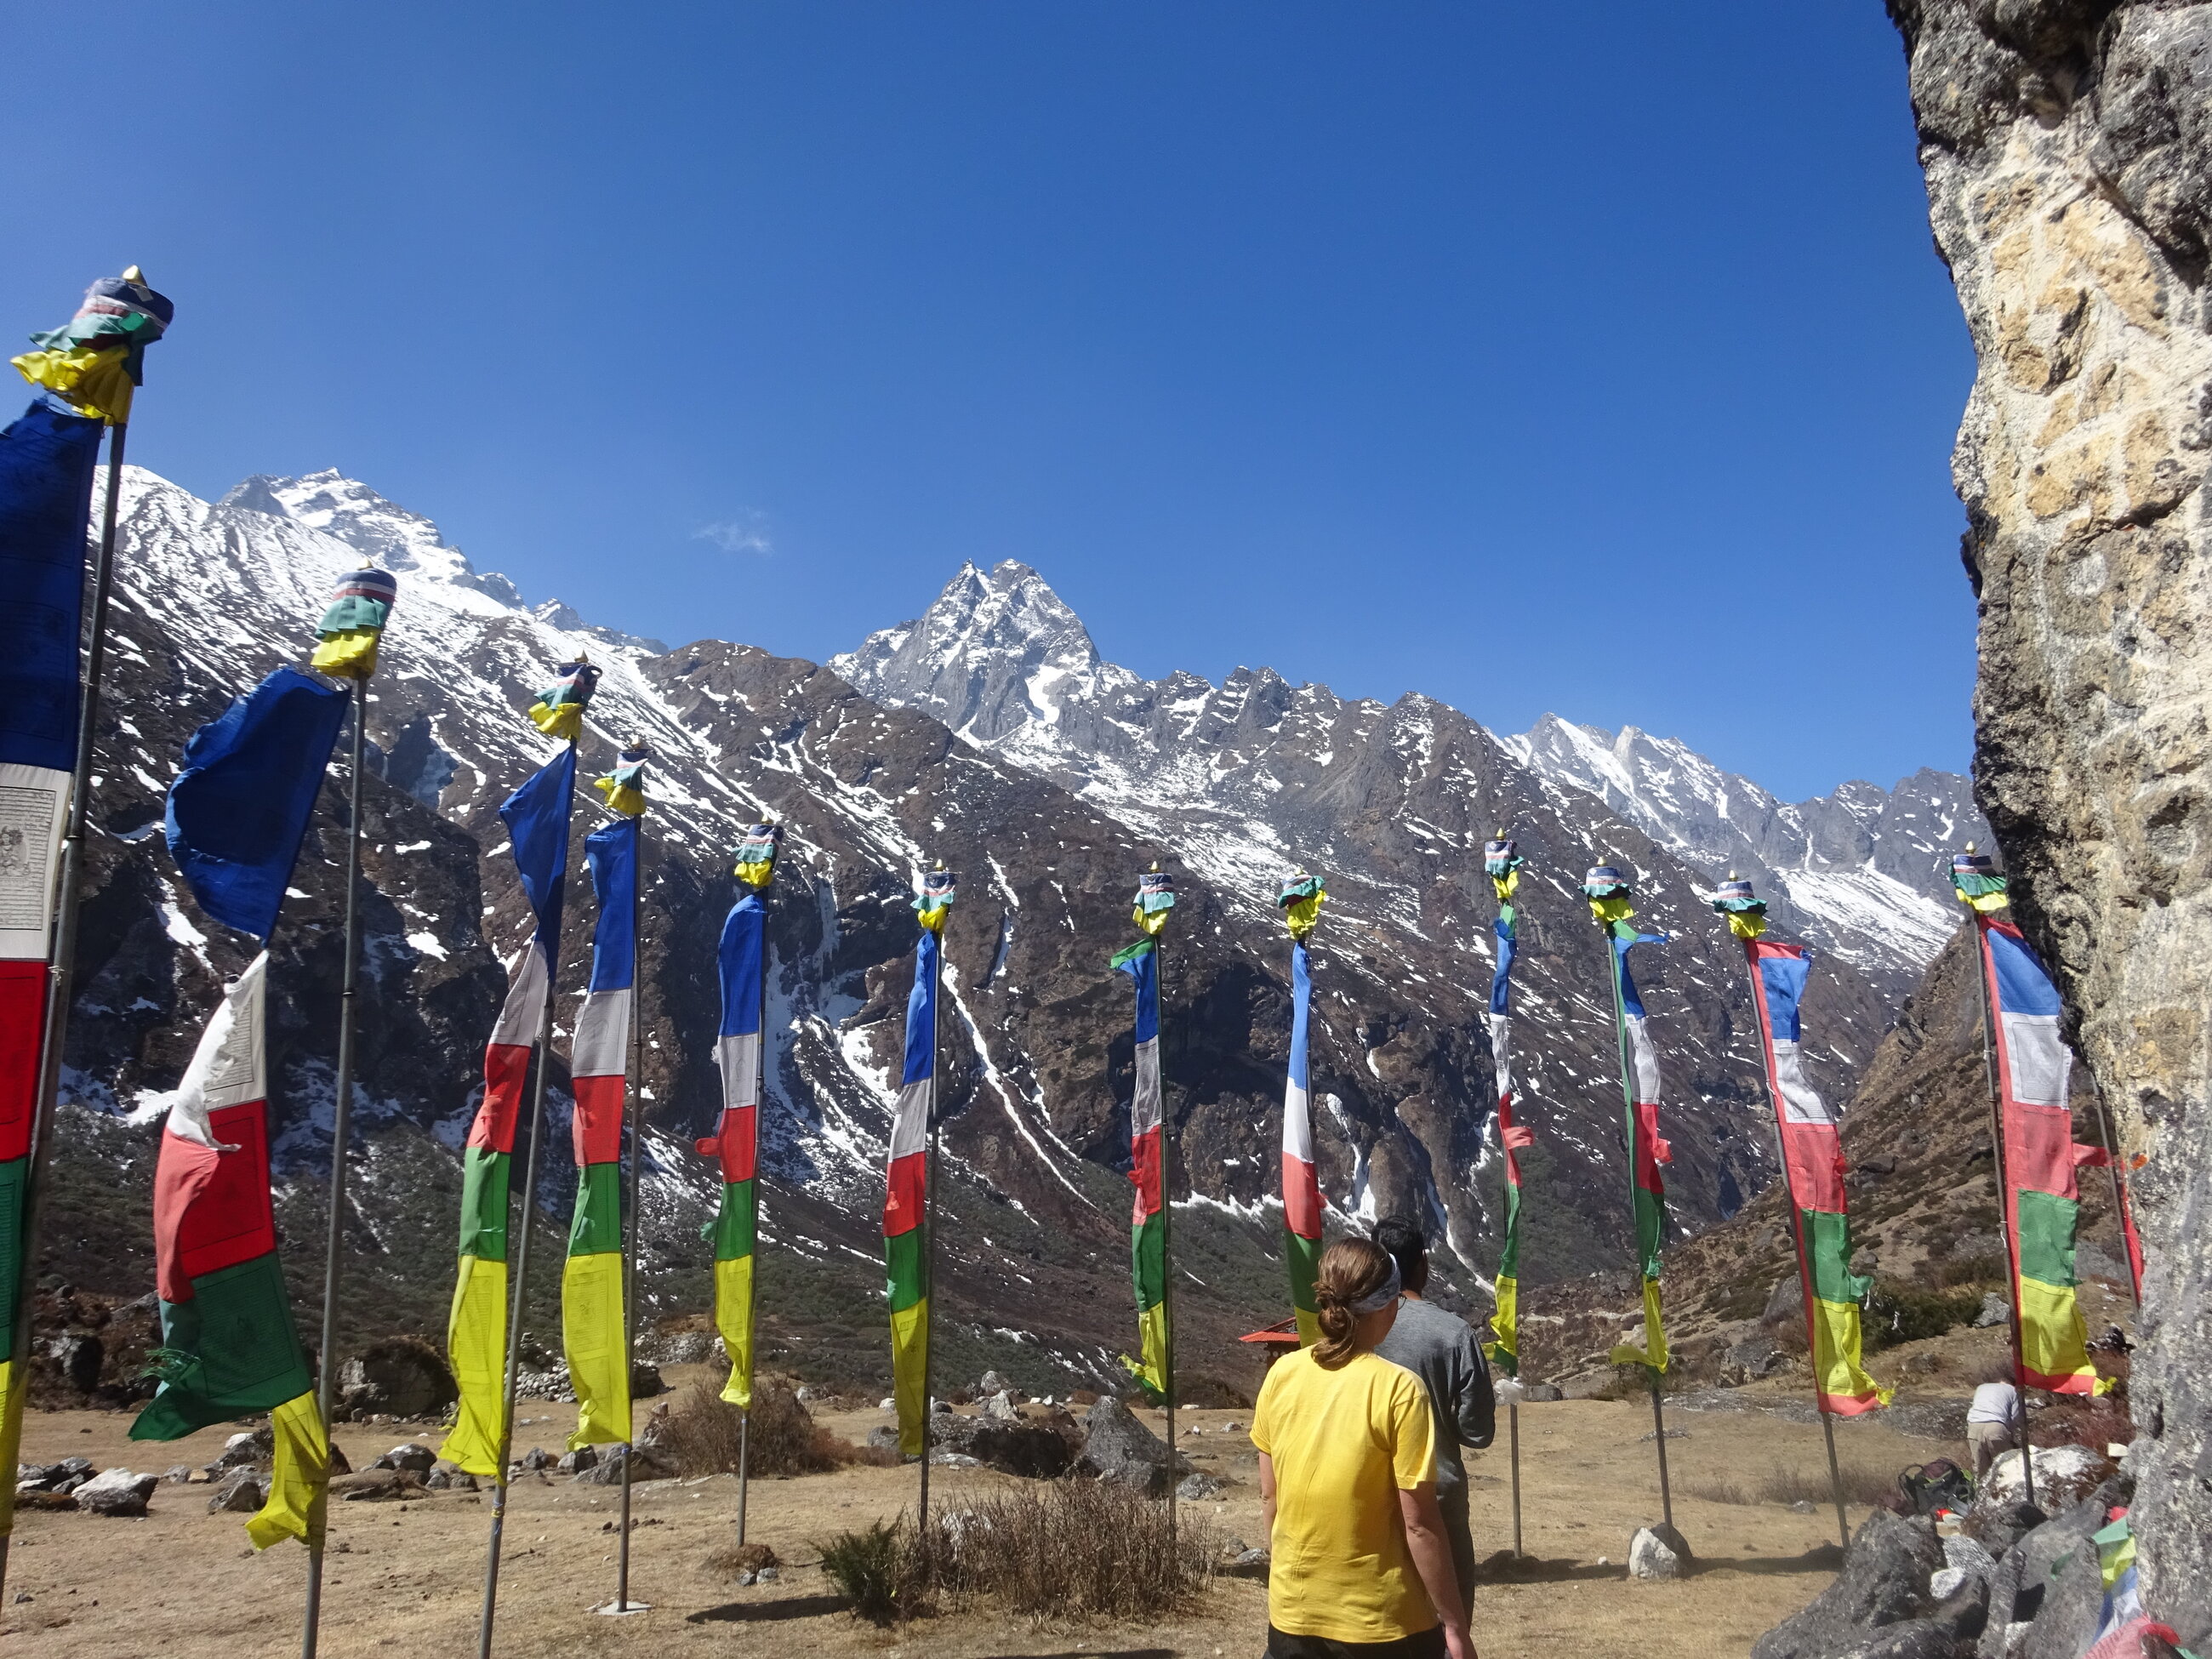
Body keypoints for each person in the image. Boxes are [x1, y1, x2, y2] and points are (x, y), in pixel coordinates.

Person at [1251, 1236, 1475, 1659]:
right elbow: (1420, 1525)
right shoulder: (1400, 1390)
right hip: (1381, 1623)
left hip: (1292, 1615)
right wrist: (1455, 1626)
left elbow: (1270, 1496)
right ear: (1389, 1306)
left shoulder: (1282, 1374)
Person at [1371, 1217, 1494, 1605]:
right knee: (1449, 1622)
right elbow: (1478, 1432)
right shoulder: (1455, 1334)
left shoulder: (1357, 1330)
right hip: (1438, 1497)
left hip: (1371, 1495)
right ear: (1423, 1264)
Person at [1966, 1361, 2021, 1481]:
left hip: (1974, 1427)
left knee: (1980, 1471)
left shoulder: (1981, 1388)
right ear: (2012, 1383)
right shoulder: (2013, 1391)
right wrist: (2010, 1438)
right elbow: (2014, 1418)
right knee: (2004, 1467)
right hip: (1996, 1427)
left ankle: (1979, 1497)